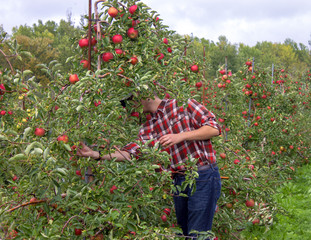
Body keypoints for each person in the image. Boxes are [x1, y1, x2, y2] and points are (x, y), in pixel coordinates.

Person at [77, 95, 221, 239]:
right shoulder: (147, 127)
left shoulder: (182, 103)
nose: (130, 109)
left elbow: (214, 128)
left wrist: (180, 136)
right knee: (184, 235)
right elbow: (130, 153)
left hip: (202, 176)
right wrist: (96, 154)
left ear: (141, 96)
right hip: (179, 182)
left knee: (198, 234)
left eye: (130, 103)